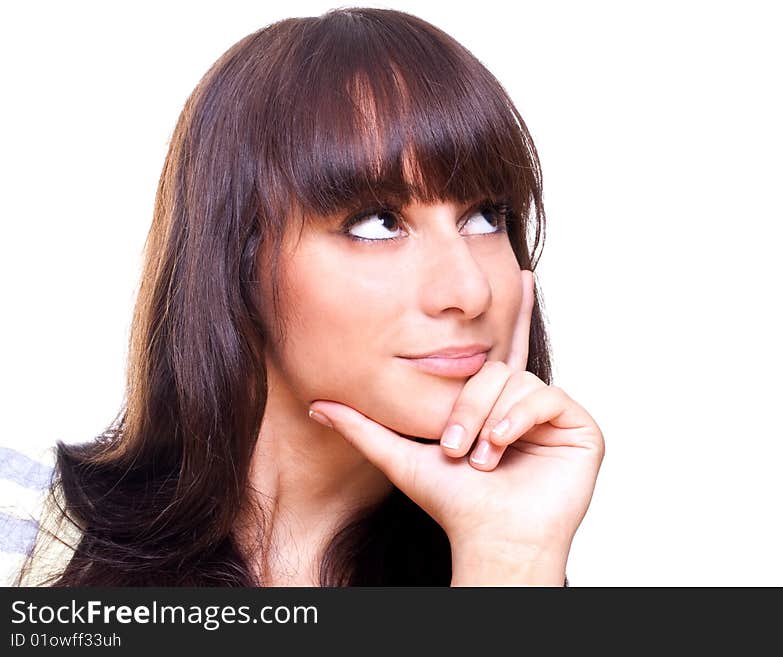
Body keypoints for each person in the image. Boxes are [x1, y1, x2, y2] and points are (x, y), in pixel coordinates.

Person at [10, 7, 604, 587]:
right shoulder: (22, 525)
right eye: (376, 223)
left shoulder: (524, 558)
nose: (470, 291)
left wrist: (506, 556)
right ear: (235, 259)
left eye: (484, 216)